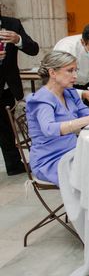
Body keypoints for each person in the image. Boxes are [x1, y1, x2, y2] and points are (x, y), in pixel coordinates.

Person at [26, 51, 89, 185]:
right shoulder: (42, 99)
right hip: (50, 161)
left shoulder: (70, 93)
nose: (75, 76)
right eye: (70, 71)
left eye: (75, 70)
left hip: (74, 151)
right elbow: (49, 128)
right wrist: (88, 120)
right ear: (52, 73)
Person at [0, 12, 39, 175]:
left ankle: (14, 164)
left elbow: (34, 49)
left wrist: (18, 40)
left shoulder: (13, 24)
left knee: (7, 127)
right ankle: (14, 163)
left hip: (7, 87)